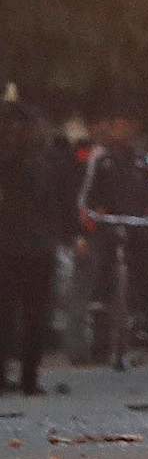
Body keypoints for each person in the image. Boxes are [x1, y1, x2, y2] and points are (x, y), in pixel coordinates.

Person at [77, 110, 148, 370]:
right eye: (117, 126)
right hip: (109, 228)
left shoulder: (142, 162)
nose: (122, 132)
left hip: (137, 228)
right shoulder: (102, 160)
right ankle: (100, 345)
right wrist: (95, 215)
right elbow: (88, 197)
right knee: (103, 283)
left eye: (126, 127)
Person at [0, 103, 73, 394]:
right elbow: (63, 201)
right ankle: (28, 377)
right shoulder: (49, 159)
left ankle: (19, 375)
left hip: (18, 243)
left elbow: (61, 200)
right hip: (32, 244)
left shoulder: (28, 160)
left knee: (17, 313)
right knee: (32, 313)